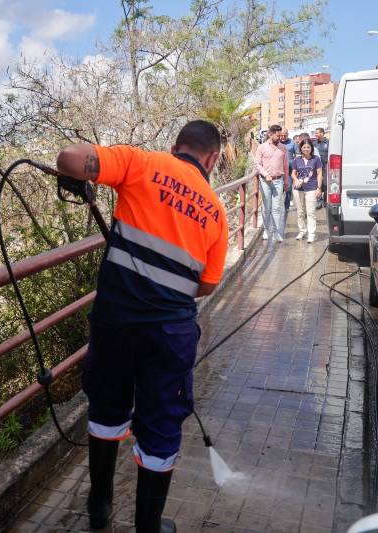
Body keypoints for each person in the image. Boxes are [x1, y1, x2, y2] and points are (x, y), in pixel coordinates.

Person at [56, 120, 228, 533]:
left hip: (115, 322)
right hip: (168, 333)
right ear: (213, 158)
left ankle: (99, 508)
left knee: (107, 408)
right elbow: (206, 284)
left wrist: (79, 178)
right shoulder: (215, 209)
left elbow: (69, 159)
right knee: (160, 426)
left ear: (175, 147)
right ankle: (147, 529)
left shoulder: (141, 163)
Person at [255, 124, 289, 242]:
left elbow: (286, 166)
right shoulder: (262, 148)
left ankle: (276, 232)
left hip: (278, 181)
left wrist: (286, 182)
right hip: (265, 181)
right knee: (266, 207)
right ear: (271, 134)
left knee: (276, 208)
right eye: (278, 135)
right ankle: (266, 230)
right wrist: (266, 174)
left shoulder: (283, 148)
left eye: (281, 135)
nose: (280, 138)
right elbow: (257, 164)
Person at [291, 139, 323, 243]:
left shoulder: (316, 159)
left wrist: (319, 188)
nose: (306, 149)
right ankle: (302, 231)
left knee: (311, 212)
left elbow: (319, 174)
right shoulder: (297, 160)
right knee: (300, 212)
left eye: (308, 147)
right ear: (300, 148)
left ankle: (311, 234)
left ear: (311, 148)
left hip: (311, 188)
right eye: (304, 147)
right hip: (298, 190)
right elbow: (293, 173)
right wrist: (295, 180)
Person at [281, 128, 298, 212]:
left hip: (290, 168)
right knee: (279, 188)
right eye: (282, 135)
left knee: (288, 188)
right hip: (279, 169)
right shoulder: (277, 143)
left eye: (285, 135)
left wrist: (297, 166)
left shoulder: (292, 142)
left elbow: (297, 154)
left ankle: (286, 206)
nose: (283, 137)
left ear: (288, 135)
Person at [312, 128, 329, 209]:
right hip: (317, 167)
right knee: (318, 184)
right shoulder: (314, 144)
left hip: (326, 166)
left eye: (317, 133)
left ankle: (326, 200)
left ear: (322, 133)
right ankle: (319, 200)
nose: (316, 135)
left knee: (325, 184)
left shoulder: (328, 143)